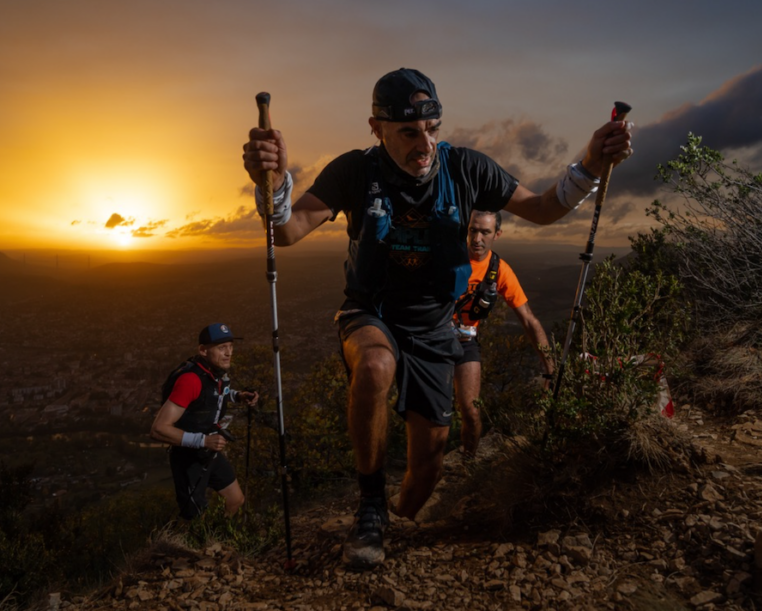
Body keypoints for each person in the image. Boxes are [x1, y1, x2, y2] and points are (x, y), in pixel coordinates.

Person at [242, 68, 632, 568]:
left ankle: (398, 520)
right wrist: (271, 184)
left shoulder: (468, 169)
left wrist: (591, 164)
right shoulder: (356, 171)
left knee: (427, 467)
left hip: (434, 324)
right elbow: (290, 230)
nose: (423, 143)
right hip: (371, 310)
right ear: (376, 127)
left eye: (433, 128)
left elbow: (541, 208)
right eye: (408, 132)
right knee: (376, 367)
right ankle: (369, 507)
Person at [452, 209, 555, 460]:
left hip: (465, 341)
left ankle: (467, 462)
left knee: (472, 410)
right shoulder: (449, 258)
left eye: (485, 232)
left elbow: (529, 320)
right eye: (472, 230)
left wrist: (550, 369)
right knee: (432, 413)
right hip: (433, 339)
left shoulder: (499, 271)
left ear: (497, 234)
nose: (477, 238)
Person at [150, 323, 259, 520]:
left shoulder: (215, 372)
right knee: (195, 517)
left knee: (235, 500)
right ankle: (200, 548)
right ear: (203, 350)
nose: (228, 353)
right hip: (188, 458)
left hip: (209, 451)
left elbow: (212, 395)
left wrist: (238, 396)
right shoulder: (190, 380)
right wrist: (203, 441)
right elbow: (158, 429)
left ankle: (218, 540)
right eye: (221, 347)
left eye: (230, 346)